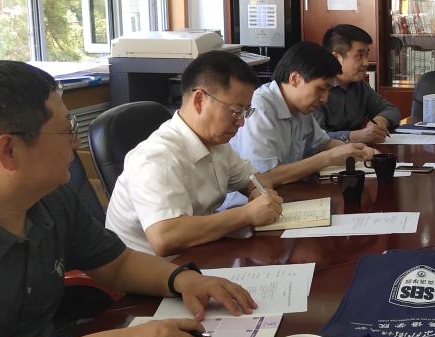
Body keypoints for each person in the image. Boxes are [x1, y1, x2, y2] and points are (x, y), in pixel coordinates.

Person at [0, 61, 257, 337]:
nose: (75, 142)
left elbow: (116, 263)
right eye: (66, 129)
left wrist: (183, 280)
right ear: (9, 150)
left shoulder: (50, 198)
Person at [105, 51, 283, 257]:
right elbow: (165, 237)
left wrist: (260, 193)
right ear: (199, 100)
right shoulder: (157, 157)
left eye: (246, 112)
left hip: (197, 253)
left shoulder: (217, 143)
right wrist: (246, 214)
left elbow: (253, 178)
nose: (241, 122)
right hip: (153, 268)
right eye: (235, 111)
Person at [230, 41, 377, 184]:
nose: (325, 99)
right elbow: (264, 177)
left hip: (287, 193)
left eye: (328, 90)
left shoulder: (300, 107)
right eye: (321, 88)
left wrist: (360, 151)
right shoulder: (260, 107)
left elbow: (324, 144)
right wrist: (328, 158)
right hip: (254, 199)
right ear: (295, 79)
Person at [314, 25, 400, 144]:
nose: (366, 63)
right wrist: (353, 136)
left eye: (367, 55)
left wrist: (379, 122)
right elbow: (314, 139)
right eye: (359, 56)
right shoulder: (317, 89)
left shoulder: (359, 86)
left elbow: (391, 109)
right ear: (336, 58)